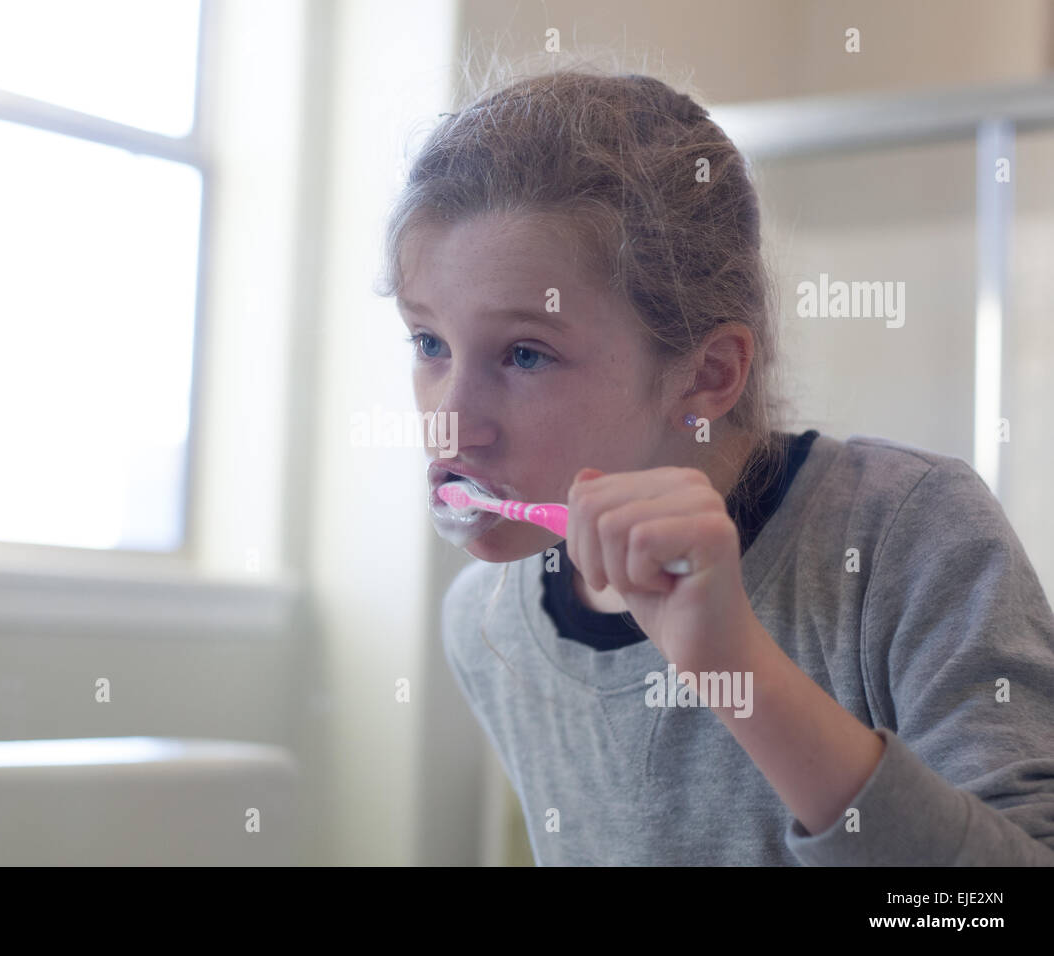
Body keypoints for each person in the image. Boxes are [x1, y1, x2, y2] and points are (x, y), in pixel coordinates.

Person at [377, 69, 1054, 865]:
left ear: (706, 376)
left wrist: (737, 667)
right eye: (430, 343)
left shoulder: (914, 538)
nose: (454, 420)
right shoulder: (484, 621)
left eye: (526, 354)